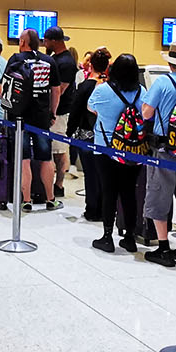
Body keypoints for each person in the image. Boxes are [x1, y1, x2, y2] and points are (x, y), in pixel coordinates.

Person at [140, 42, 176, 266]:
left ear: (170, 61)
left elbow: (146, 113)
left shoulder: (162, 82)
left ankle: (163, 248)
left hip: (164, 149)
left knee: (159, 195)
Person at [87, 53, 145, 254]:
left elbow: (91, 108)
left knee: (109, 191)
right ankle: (130, 237)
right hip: (133, 150)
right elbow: (146, 115)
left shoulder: (102, 90)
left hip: (105, 147)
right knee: (129, 192)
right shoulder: (141, 91)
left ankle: (107, 236)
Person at [3, 29, 60, 211]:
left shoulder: (15, 60)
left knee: (24, 159)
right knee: (45, 158)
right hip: (41, 118)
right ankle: (50, 198)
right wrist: (52, 112)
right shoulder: (49, 61)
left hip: (19, 117)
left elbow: (3, 87)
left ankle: (26, 200)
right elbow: (56, 90)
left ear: (22, 42)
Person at [71, 48, 110, 222]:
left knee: (90, 175)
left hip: (87, 136)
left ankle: (92, 209)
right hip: (107, 138)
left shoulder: (86, 86)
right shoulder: (110, 85)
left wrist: (69, 132)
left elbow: (75, 110)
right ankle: (105, 209)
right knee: (104, 175)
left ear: (91, 65)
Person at [44, 27, 78, 196]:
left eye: (46, 40)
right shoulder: (56, 58)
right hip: (55, 112)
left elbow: (60, 90)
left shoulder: (66, 63)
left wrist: (51, 111)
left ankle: (58, 185)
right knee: (53, 150)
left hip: (60, 113)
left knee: (59, 151)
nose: (44, 43)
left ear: (54, 41)